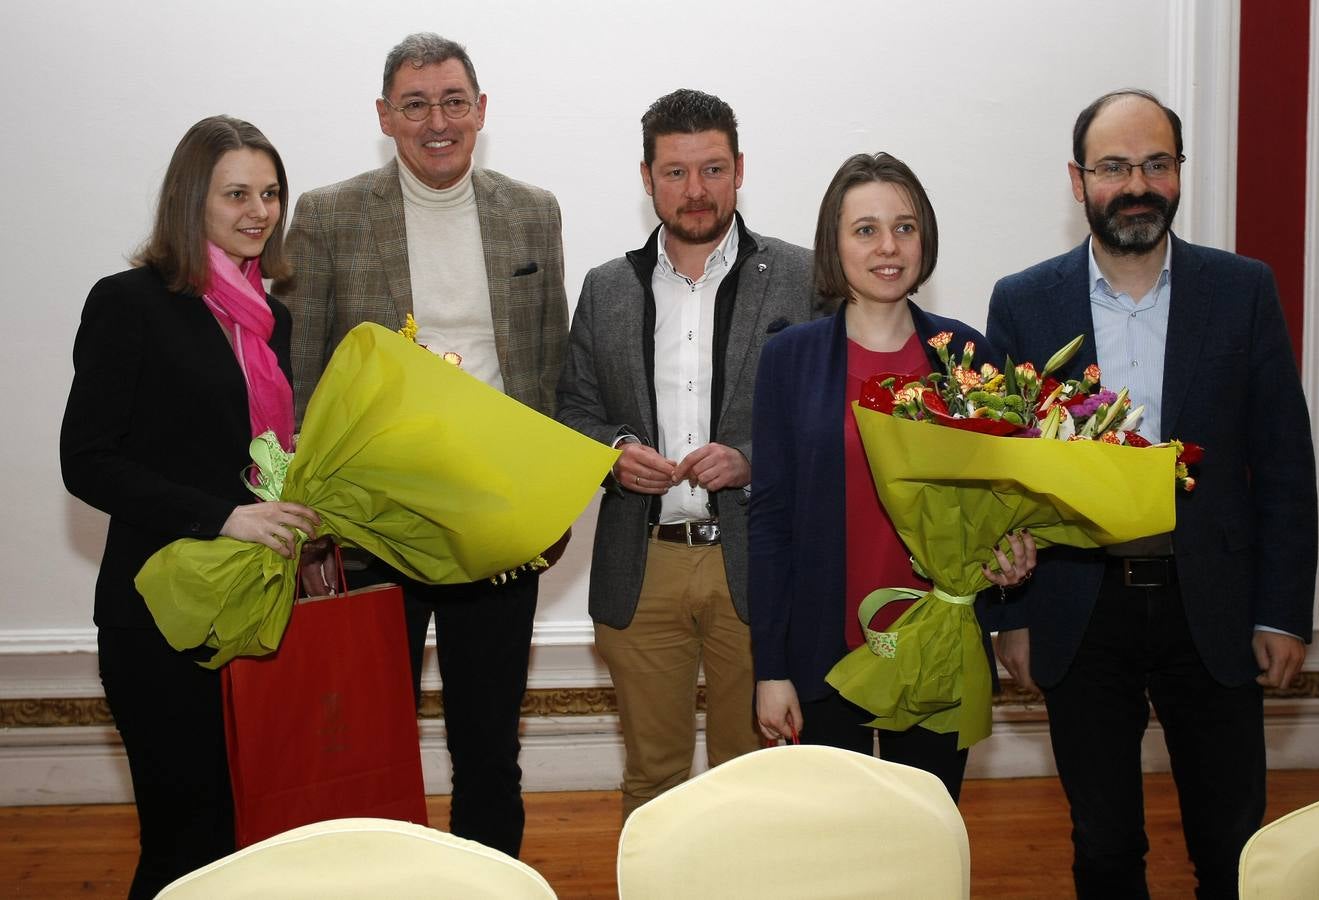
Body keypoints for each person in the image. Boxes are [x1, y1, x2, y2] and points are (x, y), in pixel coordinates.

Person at [986, 89, 1317, 898]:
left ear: (1178, 173)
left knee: (1233, 848)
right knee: (1103, 848)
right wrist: (1011, 615)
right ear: (1078, 180)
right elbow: (996, 478)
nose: (1137, 184)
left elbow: (1282, 462)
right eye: (1114, 167)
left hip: (1215, 608)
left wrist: (1281, 609)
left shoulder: (1242, 291)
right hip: (1076, 610)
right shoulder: (1022, 303)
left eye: (1156, 164)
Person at [275, 33, 567, 858]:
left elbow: (547, 364)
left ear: (480, 110)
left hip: (495, 522)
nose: (436, 121)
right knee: (368, 744)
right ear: (384, 116)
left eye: (452, 101)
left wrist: (550, 500)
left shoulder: (534, 211)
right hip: (370, 524)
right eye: (415, 104)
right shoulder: (329, 215)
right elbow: (299, 374)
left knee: (488, 746)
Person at [60, 116, 320, 898]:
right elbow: (88, 461)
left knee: (250, 837)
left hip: (250, 609)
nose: (259, 211)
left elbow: (244, 454)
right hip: (159, 618)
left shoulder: (269, 320)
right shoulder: (129, 303)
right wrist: (222, 515)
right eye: (236, 193)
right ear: (189, 201)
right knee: (186, 842)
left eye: (270, 192)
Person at [555, 89, 817, 819]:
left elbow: (830, 414)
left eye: (711, 170)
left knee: (757, 786)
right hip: (644, 567)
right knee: (653, 785)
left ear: (740, 170)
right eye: (675, 172)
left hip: (757, 563)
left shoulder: (802, 276)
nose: (694, 191)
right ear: (647, 178)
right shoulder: (606, 288)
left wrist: (754, 458)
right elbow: (572, 408)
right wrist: (614, 451)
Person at [748, 152, 1035, 801]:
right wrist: (771, 669)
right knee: (838, 857)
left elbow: (1001, 500)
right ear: (835, 243)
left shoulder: (967, 356)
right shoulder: (788, 361)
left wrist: (1011, 564)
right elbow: (769, 526)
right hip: (828, 660)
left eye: (905, 227)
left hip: (938, 652)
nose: (888, 246)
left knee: (928, 848)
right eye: (866, 229)